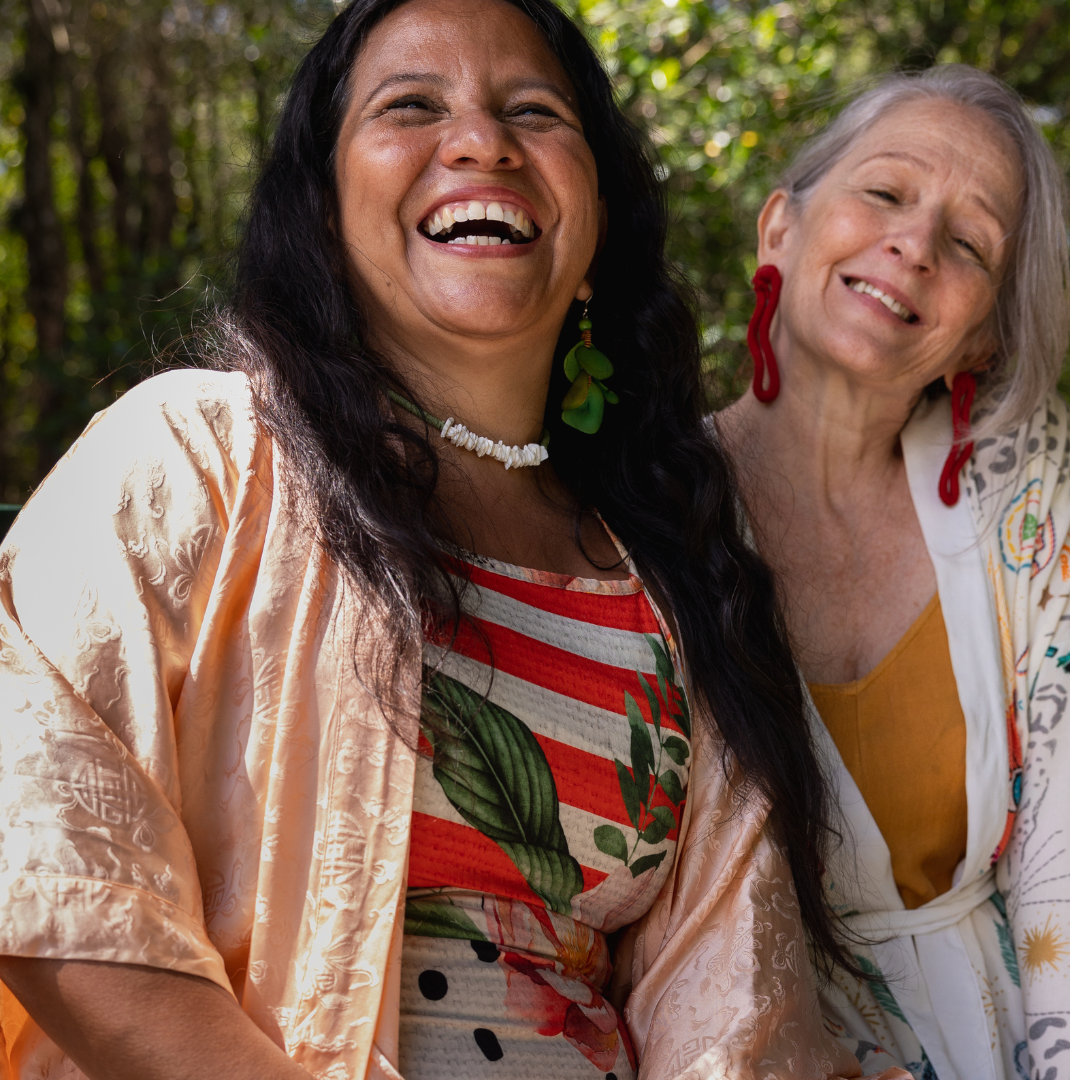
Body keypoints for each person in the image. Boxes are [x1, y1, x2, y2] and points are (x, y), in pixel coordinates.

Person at [0, 0, 909, 1077]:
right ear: (325, 203)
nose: (481, 141)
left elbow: (736, 1016)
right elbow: (47, 853)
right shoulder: (194, 454)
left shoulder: (671, 576)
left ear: (598, 218)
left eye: (533, 110)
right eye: (412, 106)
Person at [712, 65, 1069, 1080]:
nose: (913, 245)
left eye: (969, 244)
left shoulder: (1026, 513)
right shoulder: (637, 518)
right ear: (780, 226)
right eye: (884, 193)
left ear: (987, 332)